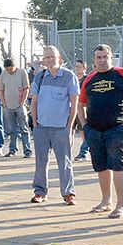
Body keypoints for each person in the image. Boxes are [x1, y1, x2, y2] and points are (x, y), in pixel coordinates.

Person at [78, 45, 123, 218]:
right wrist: (84, 125)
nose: (102, 60)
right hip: (94, 130)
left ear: (111, 57)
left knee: (117, 166)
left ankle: (121, 205)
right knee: (101, 167)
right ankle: (106, 201)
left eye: (105, 57)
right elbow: (81, 104)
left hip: (117, 129)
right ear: (93, 60)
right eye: (98, 57)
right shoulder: (89, 79)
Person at [30, 46, 80, 205]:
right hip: (42, 128)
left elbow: (74, 105)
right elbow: (34, 102)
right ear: (43, 61)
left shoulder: (69, 77)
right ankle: (40, 192)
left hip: (61, 128)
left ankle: (68, 193)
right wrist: (35, 122)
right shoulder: (39, 77)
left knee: (64, 162)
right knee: (41, 162)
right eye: (47, 57)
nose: (50, 60)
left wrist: (69, 128)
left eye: (53, 57)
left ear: (60, 59)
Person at [0, 58, 32, 158]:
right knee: (12, 129)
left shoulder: (22, 72)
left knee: (24, 128)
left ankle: (27, 150)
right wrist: (4, 104)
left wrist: (22, 103)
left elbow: (26, 88)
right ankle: (12, 150)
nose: (9, 71)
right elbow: (1, 90)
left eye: (11, 69)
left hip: (19, 105)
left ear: (15, 66)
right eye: (7, 69)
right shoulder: (3, 74)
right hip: (8, 106)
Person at [73, 60, 91, 161]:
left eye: (79, 67)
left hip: (84, 107)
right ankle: (85, 151)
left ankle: (84, 152)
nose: (77, 68)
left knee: (85, 130)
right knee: (77, 131)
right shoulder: (73, 78)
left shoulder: (87, 79)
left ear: (84, 68)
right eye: (76, 66)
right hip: (74, 107)